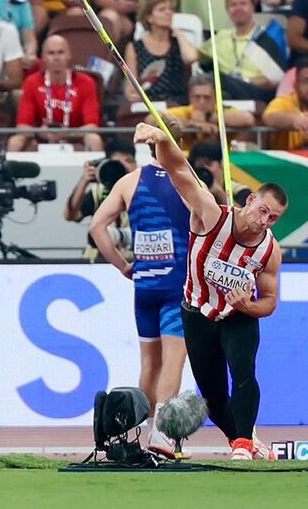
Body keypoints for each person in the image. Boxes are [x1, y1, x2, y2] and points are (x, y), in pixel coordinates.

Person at [133, 121, 287, 461]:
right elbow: (179, 171)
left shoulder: (269, 251)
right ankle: (243, 439)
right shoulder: (210, 216)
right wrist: (162, 139)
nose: (264, 221)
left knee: (244, 372)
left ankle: (244, 443)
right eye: (263, 211)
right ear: (249, 201)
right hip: (197, 313)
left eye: (273, 218)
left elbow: (271, 302)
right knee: (213, 395)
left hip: (237, 316)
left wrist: (249, 304)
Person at [88, 117, 189, 458]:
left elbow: (97, 225)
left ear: (149, 146)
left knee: (149, 364)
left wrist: (121, 264)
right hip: (176, 283)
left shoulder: (129, 182)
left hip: (144, 283)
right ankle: (162, 434)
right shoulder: (187, 180)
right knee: (174, 361)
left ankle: (130, 436)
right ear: (179, 143)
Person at [7, 34, 103, 152]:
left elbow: (92, 126)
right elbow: (22, 126)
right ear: (43, 58)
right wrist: (41, 133)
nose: (56, 57)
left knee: (94, 139)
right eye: (51, 53)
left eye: (61, 52)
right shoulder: (31, 82)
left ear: (69, 55)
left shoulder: (86, 82)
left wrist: (69, 134)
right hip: (41, 137)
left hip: (75, 137)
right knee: (15, 141)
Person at [197, 0, 286, 102]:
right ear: (227, 10)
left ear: (253, 6)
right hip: (228, 94)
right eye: (233, 5)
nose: (238, 8)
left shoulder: (269, 36)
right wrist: (176, 32)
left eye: (243, 3)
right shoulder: (222, 37)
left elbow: (277, 80)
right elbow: (192, 56)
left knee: (217, 79)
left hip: (260, 96)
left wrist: (244, 81)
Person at [64, 136, 138, 260]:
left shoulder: (145, 191)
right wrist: (84, 181)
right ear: (109, 164)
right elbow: (70, 216)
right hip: (98, 259)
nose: (124, 167)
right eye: (119, 163)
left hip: (134, 258)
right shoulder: (98, 192)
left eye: (129, 161)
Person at [146, 74, 255, 154]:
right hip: (187, 160)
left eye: (206, 97)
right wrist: (192, 123)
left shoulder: (221, 111)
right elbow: (150, 119)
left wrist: (210, 117)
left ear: (215, 97)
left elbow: (248, 119)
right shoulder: (184, 112)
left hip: (220, 161)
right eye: (197, 97)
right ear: (190, 97)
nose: (202, 102)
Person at [123, 0, 197, 105]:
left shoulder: (178, 43)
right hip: (148, 103)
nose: (169, 13)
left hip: (175, 103)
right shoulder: (134, 47)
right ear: (149, 17)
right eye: (162, 9)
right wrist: (132, 94)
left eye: (171, 9)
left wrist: (178, 32)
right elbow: (130, 87)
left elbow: (191, 57)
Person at [189, 140, 252, 208]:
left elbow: (243, 215)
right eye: (200, 166)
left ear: (221, 165)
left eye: (208, 164)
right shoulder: (189, 188)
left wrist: (219, 193)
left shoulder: (240, 191)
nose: (205, 170)